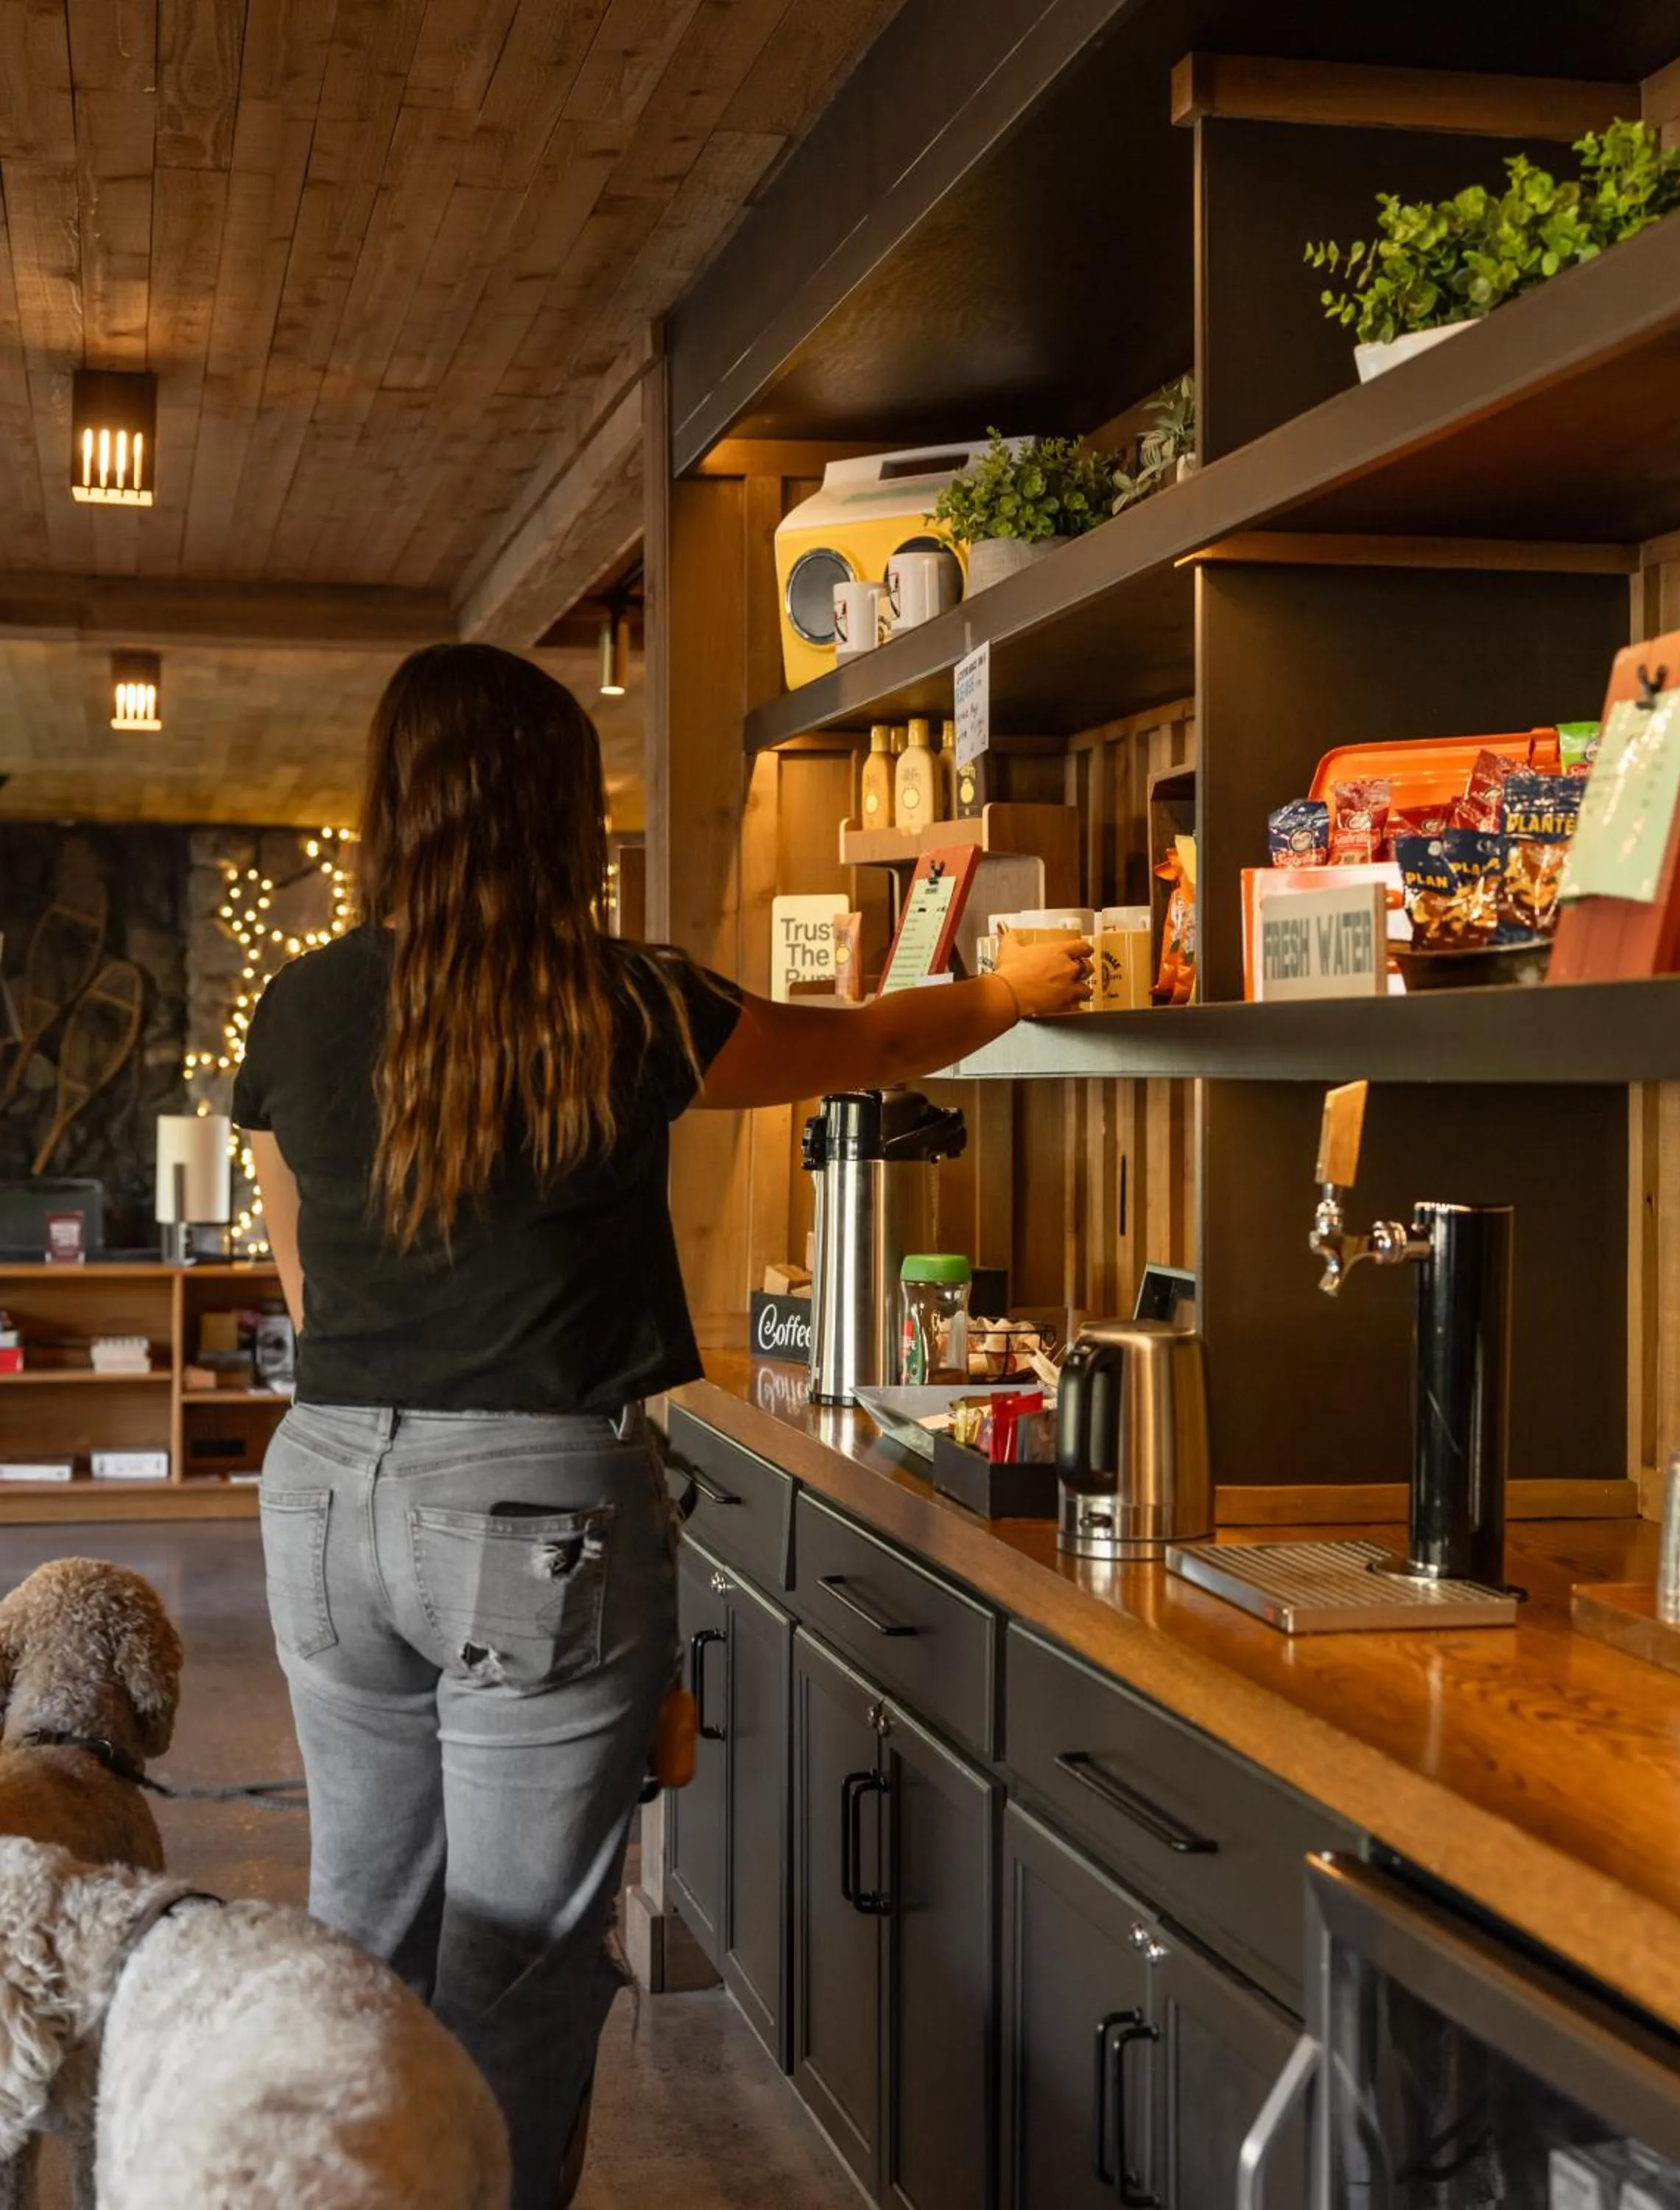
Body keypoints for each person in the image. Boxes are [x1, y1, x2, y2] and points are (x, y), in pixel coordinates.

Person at [232, 642, 1090, 2210]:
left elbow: (296, 1262)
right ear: (556, 813)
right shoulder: (620, 1003)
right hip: (535, 1512)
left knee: (358, 1927)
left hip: (326, 1490)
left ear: (393, 806)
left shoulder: (301, 1004)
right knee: (523, 1959)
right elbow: (878, 1049)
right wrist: (1014, 990)